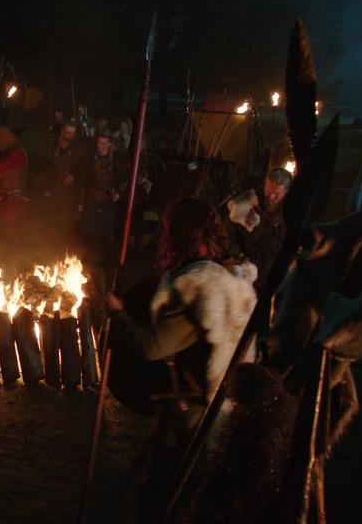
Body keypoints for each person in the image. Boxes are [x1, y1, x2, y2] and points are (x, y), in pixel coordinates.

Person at [105, 196, 257, 519]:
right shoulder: (231, 277)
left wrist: (118, 316)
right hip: (220, 403)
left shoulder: (197, 285)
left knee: (174, 492)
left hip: (194, 411)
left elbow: (153, 346)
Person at [226, 167, 291, 291]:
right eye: (267, 190)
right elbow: (230, 230)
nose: (271, 197)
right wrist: (236, 254)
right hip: (241, 272)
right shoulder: (248, 201)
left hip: (269, 279)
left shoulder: (291, 215)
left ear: (286, 191)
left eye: (277, 194)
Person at [78, 132, 122, 267]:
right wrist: (81, 201)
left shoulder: (116, 159)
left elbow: (123, 178)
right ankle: (90, 261)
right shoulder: (91, 158)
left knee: (107, 233)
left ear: (109, 144)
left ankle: (109, 263)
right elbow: (84, 180)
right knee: (90, 231)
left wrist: (118, 192)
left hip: (108, 200)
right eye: (98, 143)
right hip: (92, 198)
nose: (100, 146)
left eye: (103, 144)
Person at [0, 125, 29, 240]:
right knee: (2, 232)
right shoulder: (7, 152)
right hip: (5, 198)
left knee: (12, 233)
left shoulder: (17, 153)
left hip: (14, 199)